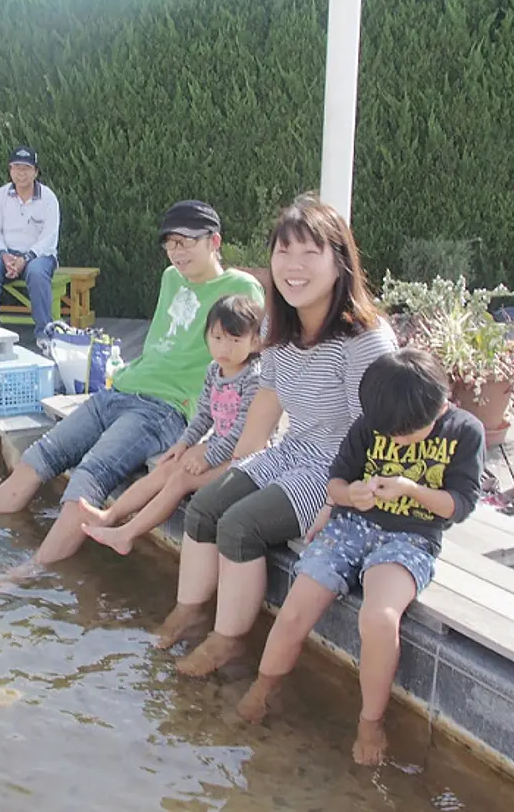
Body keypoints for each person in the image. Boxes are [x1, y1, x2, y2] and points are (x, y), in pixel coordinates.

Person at [157, 194, 398, 676]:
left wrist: (338, 498)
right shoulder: (277, 326)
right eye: (283, 252)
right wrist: (235, 467)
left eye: (310, 253)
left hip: (336, 466)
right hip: (291, 451)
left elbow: (374, 435)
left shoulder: (365, 340)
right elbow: (264, 408)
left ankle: (228, 641)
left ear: (339, 261)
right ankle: (191, 610)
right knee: (206, 507)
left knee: (240, 525)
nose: (294, 266)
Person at [0, 200, 265, 573]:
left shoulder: (240, 288)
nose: (177, 252)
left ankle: (29, 571)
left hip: (164, 408)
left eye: (186, 242)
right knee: (44, 452)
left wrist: (205, 441)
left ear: (214, 241)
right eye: (170, 243)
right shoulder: (170, 278)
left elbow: (255, 359)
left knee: (93, 471)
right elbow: (160, 344)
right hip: (120, 389)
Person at [235, 347, 485, 766]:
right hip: (349, 526)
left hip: (411, 538)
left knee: (379, 618)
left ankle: (370, 720)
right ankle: (264, 685)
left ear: (440, 407)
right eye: (388, 432)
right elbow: (336, 485)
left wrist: (410, 489)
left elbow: (459, 506)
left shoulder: (465, 432)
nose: (395, 439)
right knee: (297, 606)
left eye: (406, 435)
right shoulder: (370, 425)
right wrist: (349, 495)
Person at [81, 293, 264, 555]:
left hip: (246, 456)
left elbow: (241, 433)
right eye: (217, 338)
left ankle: (126, 534)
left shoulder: (253, 379)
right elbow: (203, 414)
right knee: (168, 466)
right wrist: (184, 443)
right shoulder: (215, 370)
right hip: (219, 444)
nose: (225, 348)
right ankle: (110, 515)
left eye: (236, 340)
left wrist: (208, 458)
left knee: (181, 480)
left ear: (255, 341)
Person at [0, 146, 61, 341]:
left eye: (26, 168)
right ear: (10, 170)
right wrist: (4, 256)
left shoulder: (49, 198)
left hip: (39, 257)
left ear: (36, 172)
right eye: (17, 167)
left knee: (37, 273)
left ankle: (44, 334)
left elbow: (49, 237)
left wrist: (26, 258)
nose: (21, 173)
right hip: (4, 255)